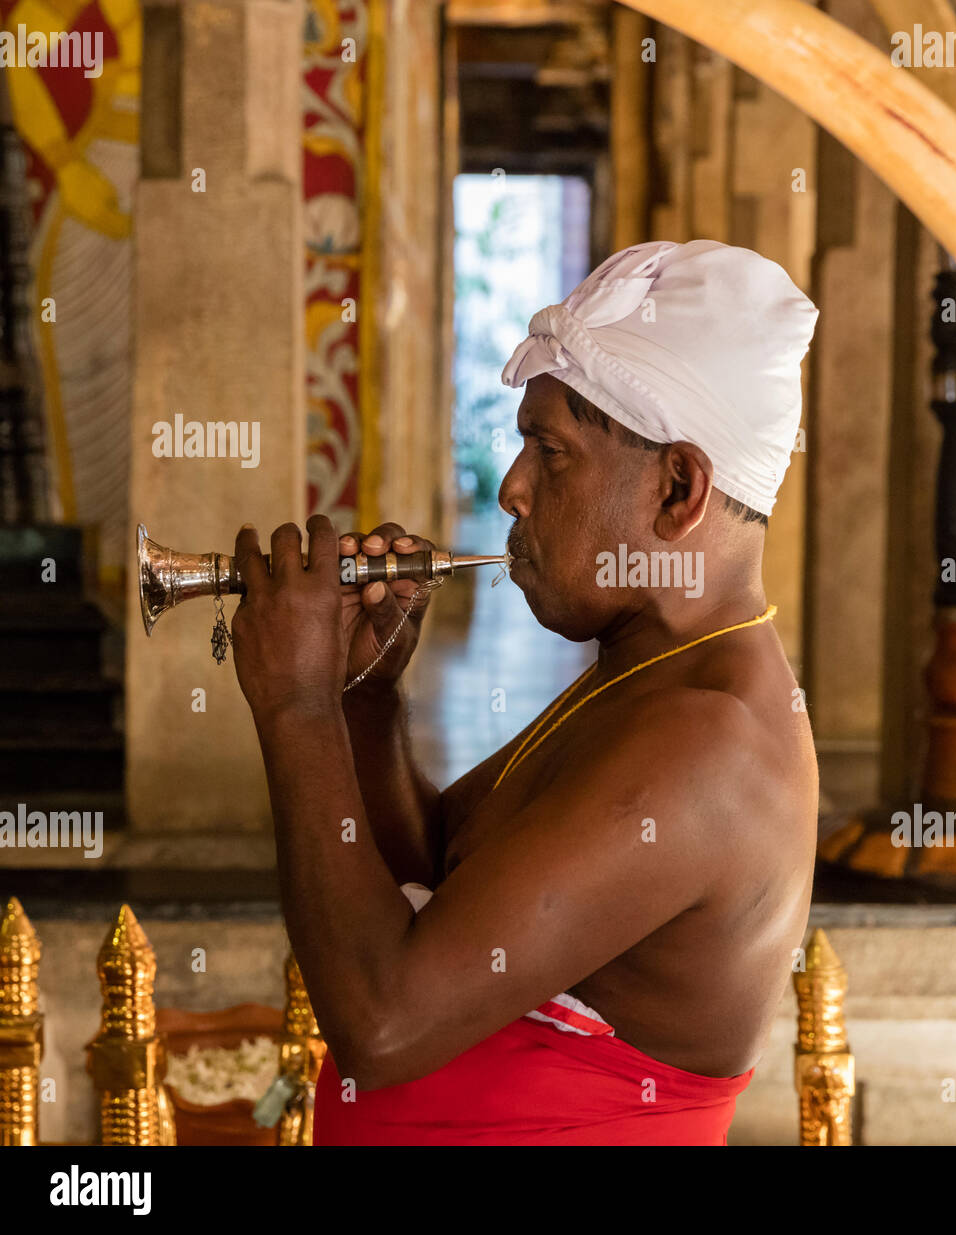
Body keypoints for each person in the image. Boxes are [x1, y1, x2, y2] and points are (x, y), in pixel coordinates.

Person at [231, 239, 820, 1144]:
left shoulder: (711, 741)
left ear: (678, 488)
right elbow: (439, 877)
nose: (511, 491)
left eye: (550, 452)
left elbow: (385, 1022)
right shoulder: (646, 673)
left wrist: (293, 708)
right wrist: (363, 700)